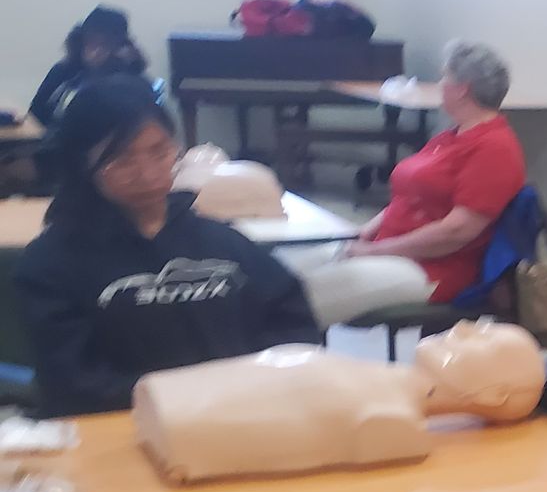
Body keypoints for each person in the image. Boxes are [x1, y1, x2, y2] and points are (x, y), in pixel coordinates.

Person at [16, 77, 322, 417]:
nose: (148, 174)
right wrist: (188, 396)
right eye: (121, 160)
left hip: (241, 418)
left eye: (160, 152)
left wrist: (261, 382)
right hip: (122, 427)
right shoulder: (50, 264)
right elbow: (73, 382)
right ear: (81, 165)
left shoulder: (223, 242)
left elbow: (294, 325)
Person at [342, 41, 526, 303]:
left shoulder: (494, 148)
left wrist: (376, 252)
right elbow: (407, 197)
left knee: (306, 293)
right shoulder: (451, 136)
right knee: (297, 269)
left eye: (445, 77)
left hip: (435, 270)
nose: (440, 84)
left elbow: (455, 233)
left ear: (462, 90)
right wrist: (363, 233)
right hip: (396, 255)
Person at [30, 6, 152, 128]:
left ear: (121, 47)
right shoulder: (62, 71)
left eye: (106, 44)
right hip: (49, 139)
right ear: (80, 41)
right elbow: (35, 112)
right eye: (92, 42)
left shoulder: (131, 83)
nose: (96, 51)